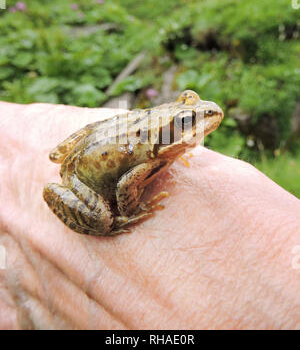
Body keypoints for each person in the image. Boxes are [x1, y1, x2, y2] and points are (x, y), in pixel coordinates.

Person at [0, 101, 299, 330]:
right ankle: (113, 223)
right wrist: (131, 213)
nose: (203, 116)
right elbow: (125, 185)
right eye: (185, 122)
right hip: (84, 181)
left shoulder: (160, 144)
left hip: (95, 144)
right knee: (105, 218)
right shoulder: (148, 158)